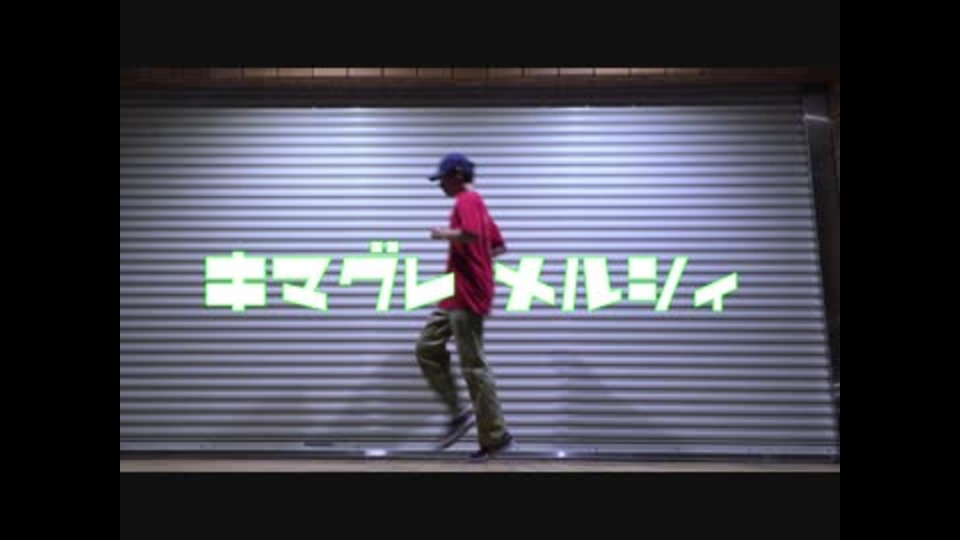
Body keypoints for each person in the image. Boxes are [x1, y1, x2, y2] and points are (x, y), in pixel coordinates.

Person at [415, 153, 514, 460]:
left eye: (442, 179)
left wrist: (442, 234)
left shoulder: (467, 200)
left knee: (473, 365)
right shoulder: (478, 205)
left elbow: (470, 234)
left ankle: (495, 436)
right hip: (456, 290)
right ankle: (458, 414)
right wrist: (478, 261)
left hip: (468, 294)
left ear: (457, 175)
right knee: (427, 347)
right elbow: (498, 245)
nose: (440, 185)